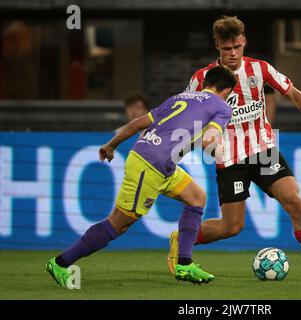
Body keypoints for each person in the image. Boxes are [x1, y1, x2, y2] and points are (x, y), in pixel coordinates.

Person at [167, 15, 301, 282]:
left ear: (244, 41)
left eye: (237, 47)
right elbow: (186, 112)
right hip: (228, 158)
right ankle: (182, 239)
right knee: (232, 227)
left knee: (293, 200)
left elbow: (292, 92)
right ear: (218, 47)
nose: (233, 54)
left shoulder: (260, 69)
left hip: (263, 149)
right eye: (227, 49)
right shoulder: (202, 78)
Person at [45, 65, 237, 287]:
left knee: (196, 197)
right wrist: (223, 154)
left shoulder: (179, 97)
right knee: (118, 224)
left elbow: (138, 123)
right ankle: (60, 263)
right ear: (227, 91)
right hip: (151, 164)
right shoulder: (222, 107)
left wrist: (111, 145)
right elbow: (208, 141)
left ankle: (184, 263)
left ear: (205, 84)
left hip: (157, 161)